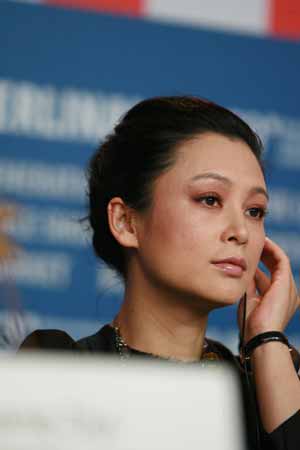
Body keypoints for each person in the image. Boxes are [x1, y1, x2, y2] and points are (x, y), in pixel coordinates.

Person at [20, 96, 300, 450]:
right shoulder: (60, 368)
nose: (241, 232)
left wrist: (267, 342)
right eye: (210, 199)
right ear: (126, 222)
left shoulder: (269, 386)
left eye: (255, 211)